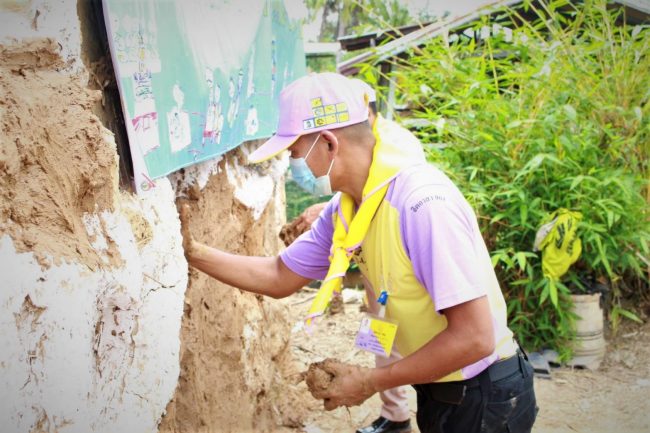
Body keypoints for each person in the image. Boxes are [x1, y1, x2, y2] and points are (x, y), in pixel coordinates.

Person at [180, 72, 537, 433]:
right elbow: (278, 275)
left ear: (330, 144)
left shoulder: (422, 205)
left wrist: (368, 381)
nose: (294, 165)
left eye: (296, 153)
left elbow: (474, 337)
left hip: (485, 397)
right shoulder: (345, 209)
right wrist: (192, 252)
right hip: (441, 390)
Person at [292, 78, 417, 433]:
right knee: (378, 332)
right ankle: (395, 415)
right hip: (375, 269)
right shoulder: (376, 143)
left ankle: (399, 410)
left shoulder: (393, 148)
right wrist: (331, 207)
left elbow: (379, 192)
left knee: (399, 333)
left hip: (394, 268)